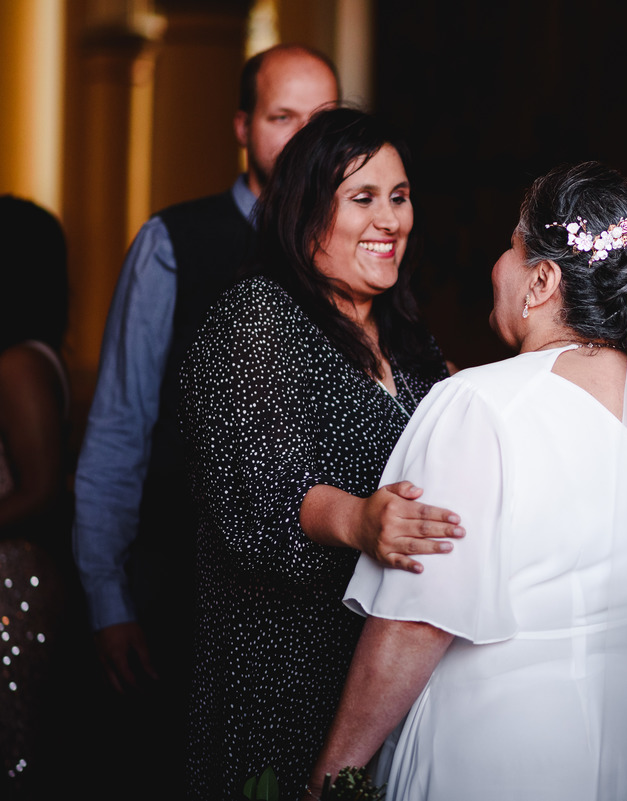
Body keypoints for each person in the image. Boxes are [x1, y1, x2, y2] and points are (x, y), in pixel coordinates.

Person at [308, 162, 627, 801]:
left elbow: (416, 622)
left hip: (496, 753)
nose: (499, 265)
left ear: (542, 280)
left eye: (511, 248)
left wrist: (331, 777)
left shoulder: (477, 402)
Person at [70, 43, 339, 790]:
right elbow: (120, 426)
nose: (305, 138)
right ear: (242, 126)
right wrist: (107, 599)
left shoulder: (364, 244)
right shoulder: (172, 243)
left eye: (324, 118)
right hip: (179, 584)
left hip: (317, 605)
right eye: (284, 117)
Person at [179, 106, 463, 800]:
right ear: (305, 212)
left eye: (399, 197)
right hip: (286, 671)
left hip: (392, 675)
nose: (390, 220)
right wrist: (363, 521)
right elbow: (264, 489)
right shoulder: (257, 317)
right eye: (363, 198)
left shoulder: (409, 341)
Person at [0, 196, 72, 798]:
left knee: (12, 757)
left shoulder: (19, 362)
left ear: (4, 264)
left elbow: (41, 490)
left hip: (7, 587)